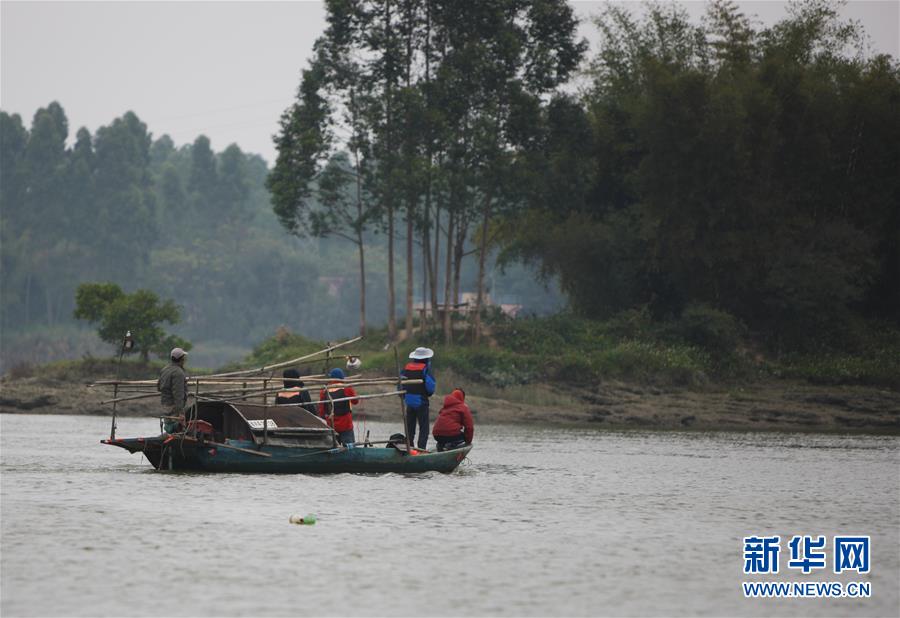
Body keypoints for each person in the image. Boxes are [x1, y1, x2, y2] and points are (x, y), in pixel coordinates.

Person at [401, 347, 436, 450]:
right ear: (426, 358)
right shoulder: (425, 368)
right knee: (424, 428)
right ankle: (421, 449)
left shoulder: (406, 367)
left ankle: (409, 448)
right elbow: (430, 387)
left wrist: (404, 396)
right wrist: (428, 394)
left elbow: (400, 384)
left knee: (410, 428)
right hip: (421, 402)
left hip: (409, 402)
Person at [318, 368, 359, 445]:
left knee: (333, 447)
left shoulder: (324, 391)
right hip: (346, 425)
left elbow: (321, 411)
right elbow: (355, 401)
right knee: (349, 448)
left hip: (331, 425)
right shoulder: (346, 389)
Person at [157, 347, 189, 433]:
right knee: (177, 429)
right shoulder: (178, 373)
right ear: (181, 359)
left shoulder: (164, 370)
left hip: (165, 405)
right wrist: (181, 413)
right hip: (174, 408)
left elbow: (159, 387)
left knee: (169, 428)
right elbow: (178, 395)